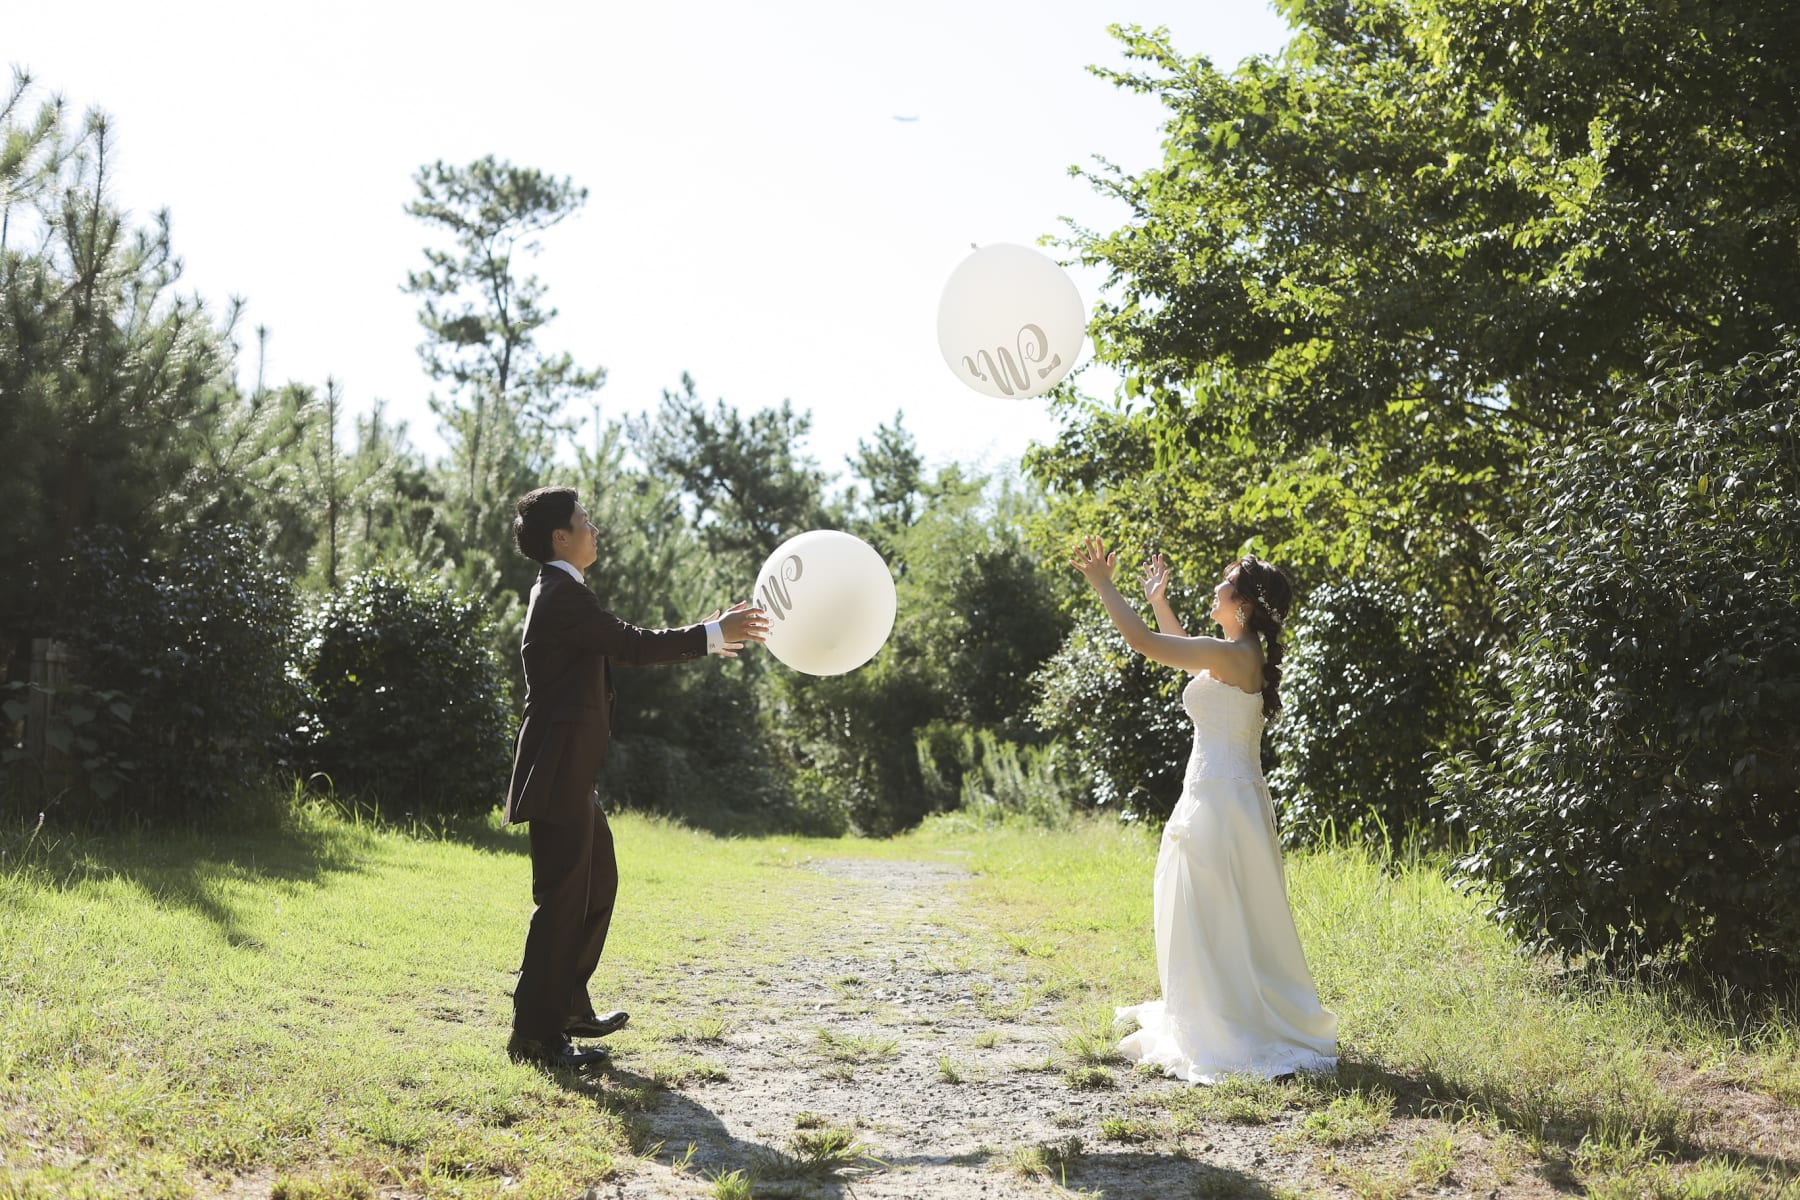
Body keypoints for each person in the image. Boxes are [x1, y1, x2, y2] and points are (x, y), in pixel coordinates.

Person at [504, 486, 769, 1069]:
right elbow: (631, 644)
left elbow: (621, 644)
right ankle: (535, 1037)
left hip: (571, 772)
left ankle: (566, 1007)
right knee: (562, 900)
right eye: (585, 521)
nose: (594, 529)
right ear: (560, 538)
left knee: (596, 884)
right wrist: (712, 635)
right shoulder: (561, 595)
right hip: (558, 772)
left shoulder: (564, 593)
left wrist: (708, 634)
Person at [1069, 537, 1337, 1083]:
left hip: (1217, 806)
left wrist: (1103, 585)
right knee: (1223, 915)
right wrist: (1158, 600)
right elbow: (1182, 653)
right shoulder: (1237, 654)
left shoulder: (1233, 655)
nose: (1217, 585)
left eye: (1227, 581)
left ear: (1243, 605)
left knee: (1214, 913)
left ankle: (1224, 1026)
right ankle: (1220, 1011)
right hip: (1227, 800)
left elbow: (1144, 644)